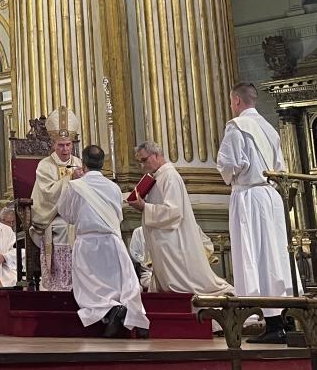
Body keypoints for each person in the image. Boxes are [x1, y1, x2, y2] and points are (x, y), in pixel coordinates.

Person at [217, 82, 299, 344]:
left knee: (256, 257)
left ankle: (273, 324)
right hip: (270, 197)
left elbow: (228, 165)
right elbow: (280, 167)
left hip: (249, 197)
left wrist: (233, 173)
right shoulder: (269, 128)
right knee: (275, 257)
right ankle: (286, 317)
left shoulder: (236, 127)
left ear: (236, 101)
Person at [57, 144, 148, 338]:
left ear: (83, 163)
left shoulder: (75, 186)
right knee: (121, 283)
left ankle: (110, 310)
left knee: (89, 287)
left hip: (87, 244)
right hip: (112, 242)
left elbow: (66, 214)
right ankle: (131, 314)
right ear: (102, 163)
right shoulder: (114, 187)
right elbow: (118, 215)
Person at [126, 141, 233, 297]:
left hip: (173, 241)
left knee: (186, 286)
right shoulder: (158, 176)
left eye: (144, 160)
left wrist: (144, 207)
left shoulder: (170, 176)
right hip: (164, 242)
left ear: (156, 155)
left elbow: (174, 211)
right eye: (139, 162)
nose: (142, 166)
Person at [31, 122, 82, 291]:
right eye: (61, 145)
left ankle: (81, 282)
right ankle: (59, 283)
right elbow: (47, 194)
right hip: (53, 216)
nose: (65, 149)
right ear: (53, 145)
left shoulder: (78, 163)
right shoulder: (45, 165)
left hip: (76, 215)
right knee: (64, 229)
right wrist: (70, 179)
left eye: (68, 144)